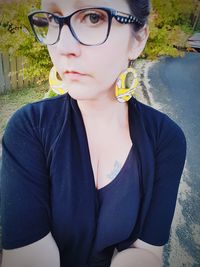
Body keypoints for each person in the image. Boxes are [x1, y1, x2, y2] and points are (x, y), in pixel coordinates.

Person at [0, 0, 187, 267]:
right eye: (53, 20)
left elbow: (145, 251)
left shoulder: (166, 140)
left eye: (93, 18)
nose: (63, 48)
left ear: (138, 39)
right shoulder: (29, 128)